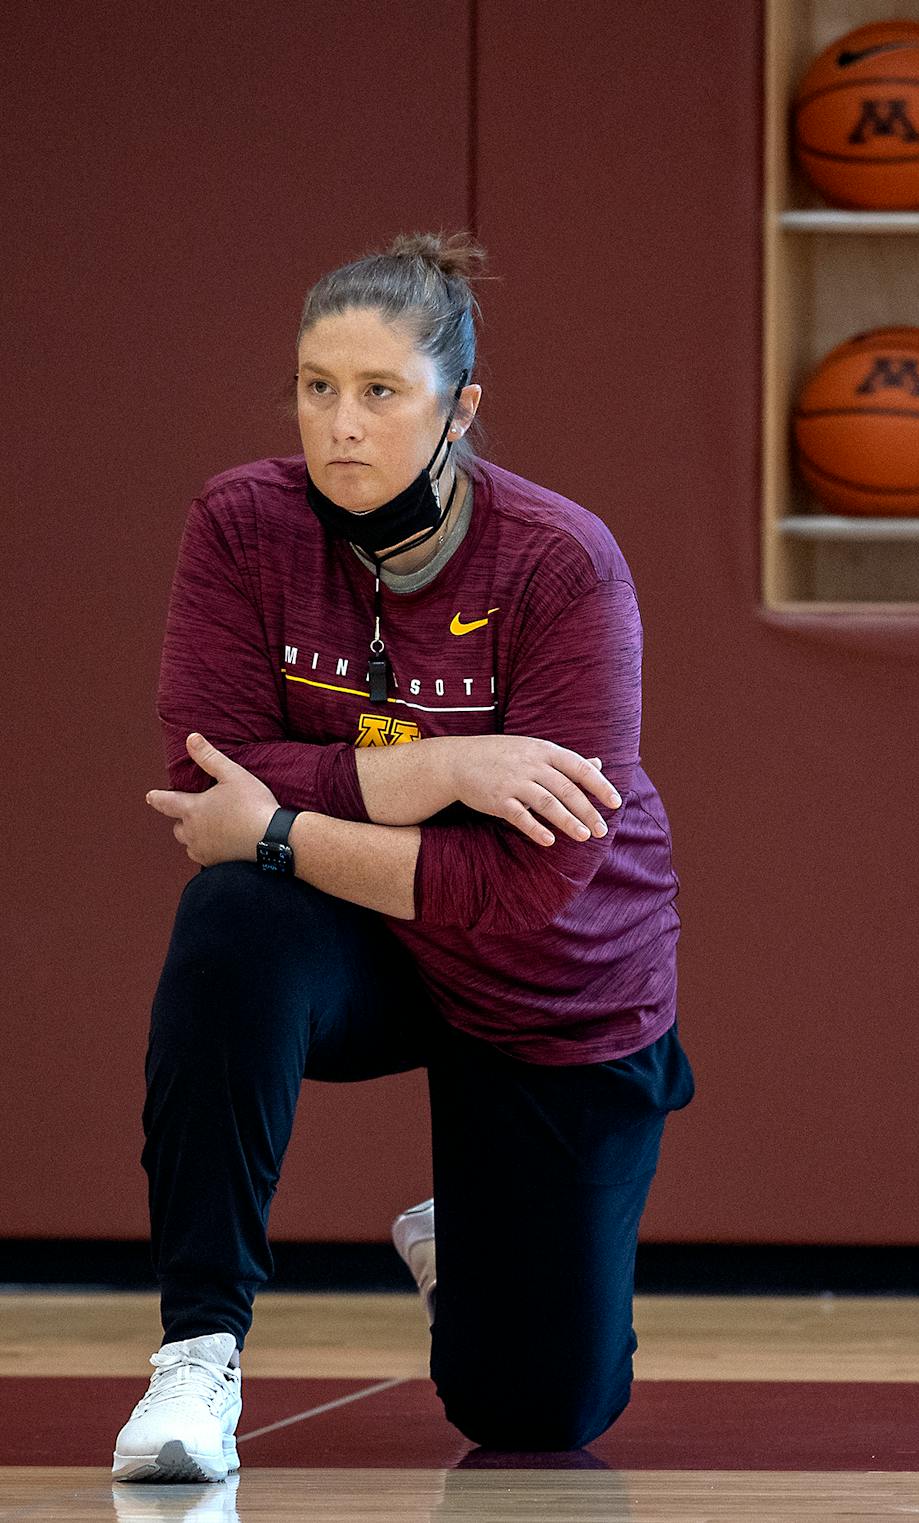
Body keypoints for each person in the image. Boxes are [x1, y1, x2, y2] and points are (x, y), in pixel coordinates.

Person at [112, 232, 693, 1483]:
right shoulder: (241, 524)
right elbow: (209, 760)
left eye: (381, 392)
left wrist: (278, 823)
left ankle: (472, 1243)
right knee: (231, 925)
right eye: (318, 387)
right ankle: (197, 1353)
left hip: (551, 979)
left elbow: (526, 883)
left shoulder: (563, 563)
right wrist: (441, 770)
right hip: (368, 931)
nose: (343, 424)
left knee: (535, 1408)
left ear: (458, 409)